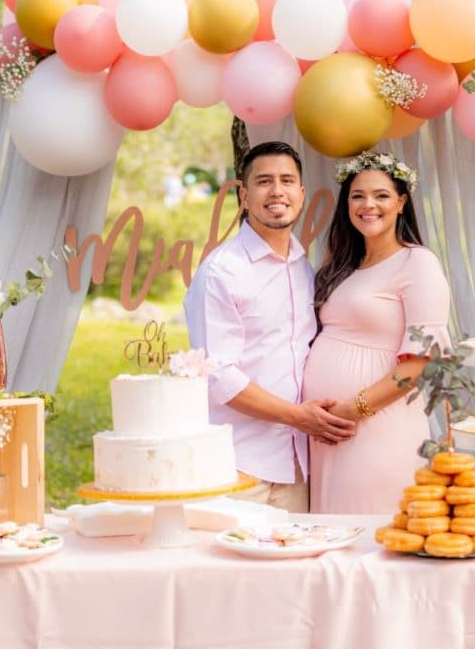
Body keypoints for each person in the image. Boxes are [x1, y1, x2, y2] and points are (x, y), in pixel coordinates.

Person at [184, 141, 356, 514]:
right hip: (240, 465)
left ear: (301, 193)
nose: (277, 191)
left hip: (298, 465)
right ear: (245, 196)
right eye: (264, 181)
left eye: (287, 181)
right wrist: (298, 417)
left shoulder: (302, 266)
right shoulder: (222, 272)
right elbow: (219, 378)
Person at [303, 151, 452, 514]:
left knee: (370, 535)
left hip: (376, 426)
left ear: (401, 202)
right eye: (358, 196)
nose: (368, 205)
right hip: (330, 430)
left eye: (381, 195)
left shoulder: (417, 262)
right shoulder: (343, 266)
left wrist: (351, 410)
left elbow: (420, 364)